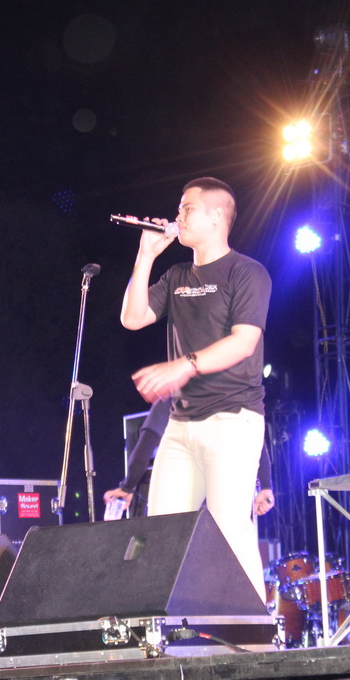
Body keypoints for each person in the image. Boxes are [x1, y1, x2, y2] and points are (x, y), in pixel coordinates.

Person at [120, 177, 272, 601]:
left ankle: (255, 633)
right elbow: (132, 318)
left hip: (232, 418)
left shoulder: (247, 272)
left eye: (187, 208)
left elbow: (244, 342)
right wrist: (146, 255)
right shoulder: (176, 276)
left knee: (229, 531)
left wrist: (183, 366)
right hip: (181, 424)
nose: (178, 216)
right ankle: (170, 629)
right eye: (179, 208)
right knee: (162, 532)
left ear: (217, 215)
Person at [103, 397, 276, 517]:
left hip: (186, 495)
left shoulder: (172, 396)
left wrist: (127, 487)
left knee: (167, 532)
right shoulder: (230, 391)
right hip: (225, 482)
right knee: (231, 539)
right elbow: (255, 438)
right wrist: (266, 485)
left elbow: (144, 449)